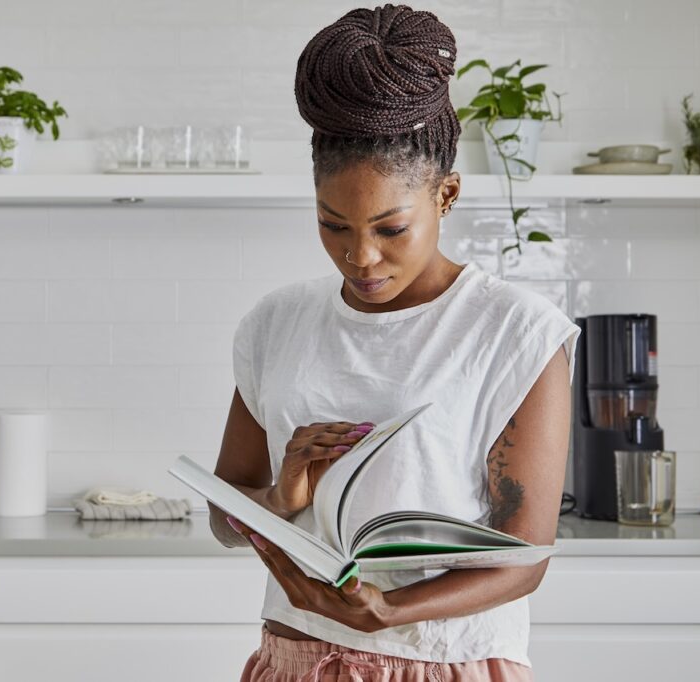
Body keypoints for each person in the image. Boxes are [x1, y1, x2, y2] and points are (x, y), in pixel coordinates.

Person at [207, 4, 581, 681]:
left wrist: (386, 609)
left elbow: (525, 558)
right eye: (333, 226)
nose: (361, 258)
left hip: (444, 663)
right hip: (294, 658)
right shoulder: (276, 323)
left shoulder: (514, 332)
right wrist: (282, 501)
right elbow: (224, 518)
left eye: (390, 229)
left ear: (447, 195)